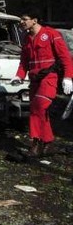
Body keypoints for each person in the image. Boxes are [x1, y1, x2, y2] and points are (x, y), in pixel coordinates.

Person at [12, 11, 73, 157]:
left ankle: (36, 144)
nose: (21, 22)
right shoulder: (27, 39)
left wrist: (68, 77)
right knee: (40, 111)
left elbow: (65, 57)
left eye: (24, 19)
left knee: (37, 107)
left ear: (34, 20)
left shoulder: (51, 34)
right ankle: (47, 143)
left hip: (49, 78)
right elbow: (24, 62)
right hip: (35, 80)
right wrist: (19, 76)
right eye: (20, 19)